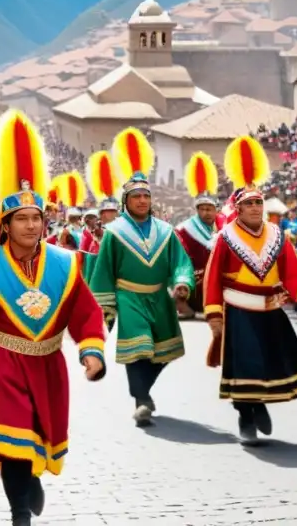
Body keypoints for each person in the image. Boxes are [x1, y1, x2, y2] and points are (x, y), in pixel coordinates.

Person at [0, 109, 106, 526]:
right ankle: (19, 513)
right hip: (2, 360)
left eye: (37, 218)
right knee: (12, 440)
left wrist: (92, 351)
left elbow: (85, 311)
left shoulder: (66, 264)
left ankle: (32, 481)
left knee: (37, 437)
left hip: (48, 361)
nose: (31, 225)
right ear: (6, 225)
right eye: (22, 219)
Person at [203, 134, 297, 445]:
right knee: (246, 363)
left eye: (259, 203)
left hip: (271, 310)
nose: (256, 208)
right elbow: (213, 278)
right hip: (238, 311)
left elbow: (292, 272)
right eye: (249, 204)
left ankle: (259, 406)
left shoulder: (278, 235)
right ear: (238, 209)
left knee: (270, 363)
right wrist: (215, 315)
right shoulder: (225, 238)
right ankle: (246, 416)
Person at [89, 127, 194, 427]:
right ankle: (141, 400)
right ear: (126, 201)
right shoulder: (114, 233)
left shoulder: (165, 231)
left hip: (160, 296)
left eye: (146, 196)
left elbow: (180, 262)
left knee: (163, 352)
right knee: (139, 348)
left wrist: (183, 282)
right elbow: (104, 272)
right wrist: (105, 310)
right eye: (136, 197)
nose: (142, 201)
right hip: (129, 296)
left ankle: (143, 392)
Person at [174, 151, 221, 320]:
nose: (206, 213)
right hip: (194, 279)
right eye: (202, 209)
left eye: (209, 209)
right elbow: (180, 259)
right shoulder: (184, 230)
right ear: (197, 210)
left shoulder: (223, 227)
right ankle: (182, 304)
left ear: (217, 210)